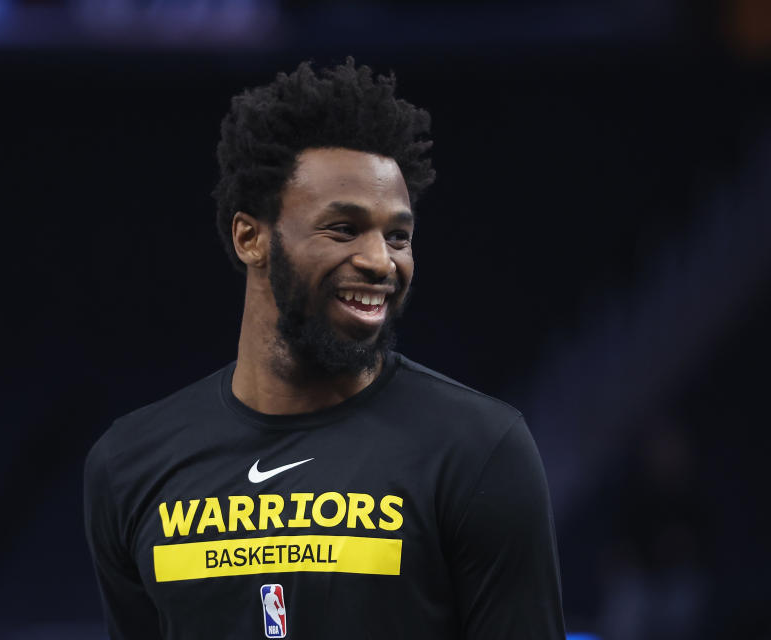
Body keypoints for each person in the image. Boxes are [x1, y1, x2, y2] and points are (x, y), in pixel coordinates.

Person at [84, 58, 565, 639]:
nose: (381, 261)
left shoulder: (479, 450)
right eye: (343, 228)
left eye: (398, 236)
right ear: (250, 237)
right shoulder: (130, 464)